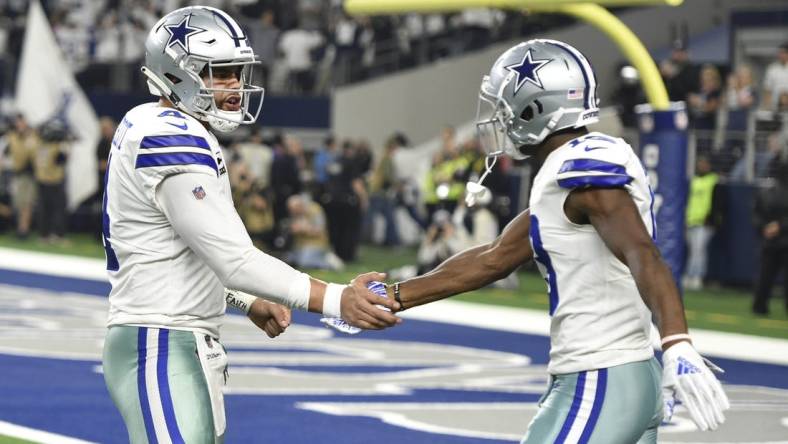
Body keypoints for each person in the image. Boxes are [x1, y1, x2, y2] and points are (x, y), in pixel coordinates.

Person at [377, 39, 729, 441]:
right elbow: (494, 258)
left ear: (534, 107)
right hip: (622, 373)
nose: (501, 118)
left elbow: (640, 252)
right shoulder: (571, 170)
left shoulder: (582, 172)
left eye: (506, 106)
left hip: (601, 376)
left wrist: (677, 341)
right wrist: (391, 295)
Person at [100, 7, 400, 444]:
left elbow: (184, 252)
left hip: (175, 339)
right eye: (220, 74)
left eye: (238, 74)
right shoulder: (170, 134)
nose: (235, 88)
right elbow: (234, 259)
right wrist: (337, 300)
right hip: (161, 341)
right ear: (177, 72)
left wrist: (245, 300)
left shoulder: (156, 124)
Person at [752, 159, 788, 315]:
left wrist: (766, 227)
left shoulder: (766, 192)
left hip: (770, 241)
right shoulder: (768, 192)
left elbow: (755, 214)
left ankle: (759, 307)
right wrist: (779, 226)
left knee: (765, 276)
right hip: (784, 241)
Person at [683, 155, 722, 290]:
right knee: (694, 251)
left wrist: (712, 220)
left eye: (704, 163)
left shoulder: (714, 181)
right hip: (691, 220)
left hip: (705, 223)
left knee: (698, 251)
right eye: (700, 163)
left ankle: (696, 277)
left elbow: (718, 203)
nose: (701, 166)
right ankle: (690, 275)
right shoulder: (694, 180)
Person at [761, 42, 788, 112]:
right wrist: (767, 106)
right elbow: (767, 90)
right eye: (780, 53)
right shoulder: (772, 69)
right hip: (775, 108)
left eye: (784, 52)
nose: (781, 55)